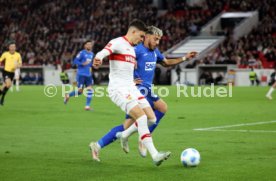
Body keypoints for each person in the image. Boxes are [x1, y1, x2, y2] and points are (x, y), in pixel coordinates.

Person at [89, 25, 197, 162]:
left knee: (160, 110)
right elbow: (124, 63)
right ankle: (99, 145)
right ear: (146, 36)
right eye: (155, 39)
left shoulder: (155, 51)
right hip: (135, 89)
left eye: (159, 40)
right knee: (130, 124)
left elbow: (166, 62)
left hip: (147, 90)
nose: (157, 42)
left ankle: (140, 136)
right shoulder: (136, 49)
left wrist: (184, 58)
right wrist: (132, 77)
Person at [64, 40, 95, 110]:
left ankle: (87, 106)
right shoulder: (82, 53)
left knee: (90, 89)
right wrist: (82, 63)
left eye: (90, 44)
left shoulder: (92, 54)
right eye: (88, 44)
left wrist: (94, 66)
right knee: (80, 91)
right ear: (85, 46)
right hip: (81, 74)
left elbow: (90, 64)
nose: (89, 45)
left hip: (88, 74)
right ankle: (68, 95)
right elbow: (75, 61)